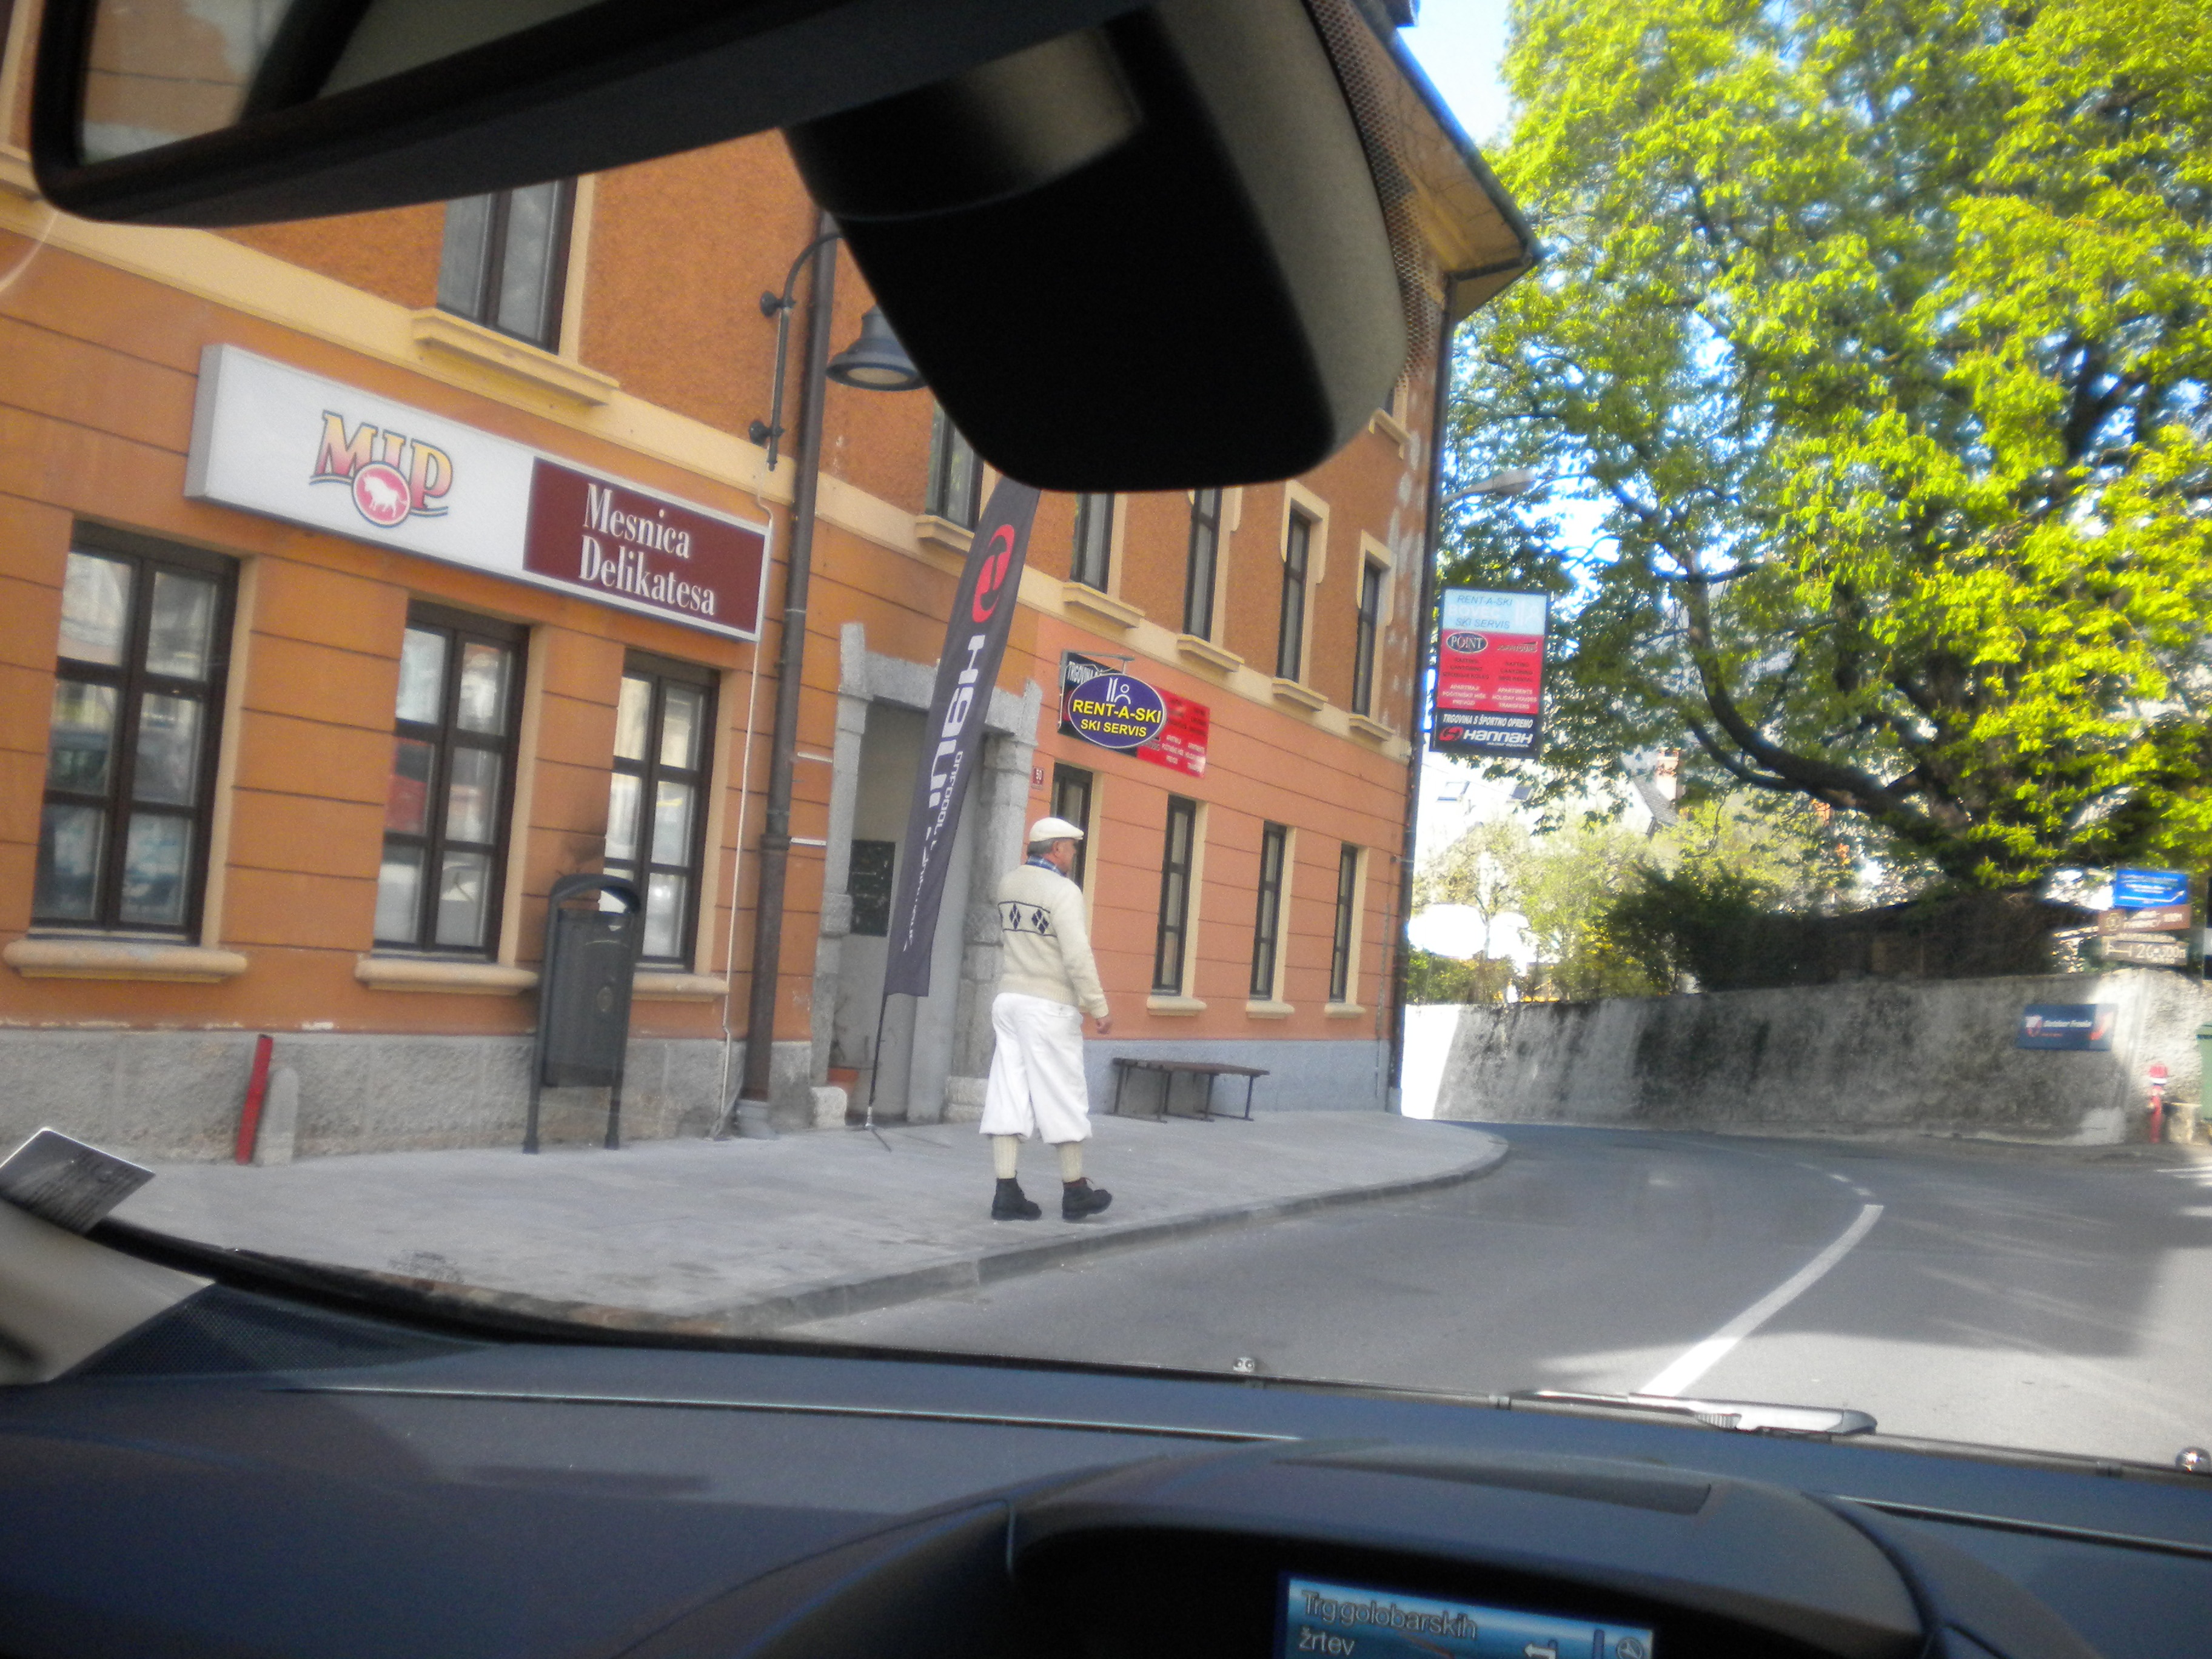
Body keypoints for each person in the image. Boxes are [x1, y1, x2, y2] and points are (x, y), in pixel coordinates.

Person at [980, 816, 1114, 1221]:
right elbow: (1077, 955)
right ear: (1056, 849)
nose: (1073, 855)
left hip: (1009, 999)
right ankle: (1075, 1191)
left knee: (1008, 1091)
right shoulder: (1064, 892)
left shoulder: (1008, 884)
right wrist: (1098, 1005)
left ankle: (1006, 1192)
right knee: (1062, 1093)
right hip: (1048, 1004)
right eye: (1071, 848)